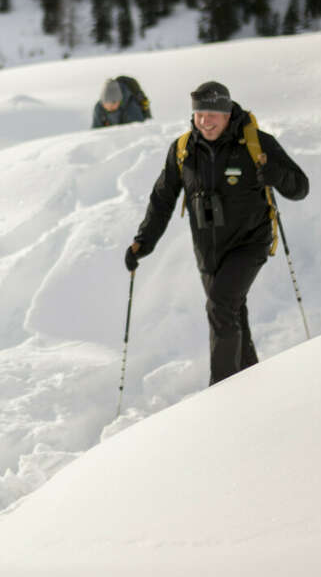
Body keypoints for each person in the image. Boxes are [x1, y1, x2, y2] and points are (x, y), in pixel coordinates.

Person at [124, 82, 309, 385]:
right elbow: (162, 199)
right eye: (199, 114)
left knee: (220, 305)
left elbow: (300, 187)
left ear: (227, 114)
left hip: (250, 243)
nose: (205, 121)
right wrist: (143, 242)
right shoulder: (184, 150)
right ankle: (251, 380)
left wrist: (276, 175)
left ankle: (221, 392)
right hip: (209, 252)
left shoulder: (256, 143)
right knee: (233, 312)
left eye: (212, 114)